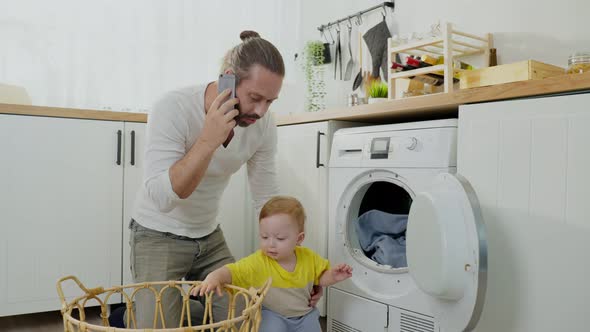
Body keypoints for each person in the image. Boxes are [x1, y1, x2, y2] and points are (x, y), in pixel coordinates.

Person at [119, 30, 323, 328]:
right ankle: (139, 314)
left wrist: (297, 266)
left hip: (208, 237)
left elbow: (266, 197)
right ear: (228, 78)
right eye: (255, 97)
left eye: (270, 101)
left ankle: (172, 310)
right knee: (160, 326)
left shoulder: (263, 123)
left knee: (243, 317)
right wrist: (207, 140)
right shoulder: (172, 107)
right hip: (157, 233)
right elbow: (162, 199)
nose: (261, 111)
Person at [192, 196, 353, 332]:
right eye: (264, 237)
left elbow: (320, 278)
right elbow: (232, 271)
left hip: (304, 314)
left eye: (280, 238)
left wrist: (333, 275)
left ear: (299, 238)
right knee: (269, 327)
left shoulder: (308, 258)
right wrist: (214, 277)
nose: (271, 244)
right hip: (272, 314)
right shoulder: (258, 261)